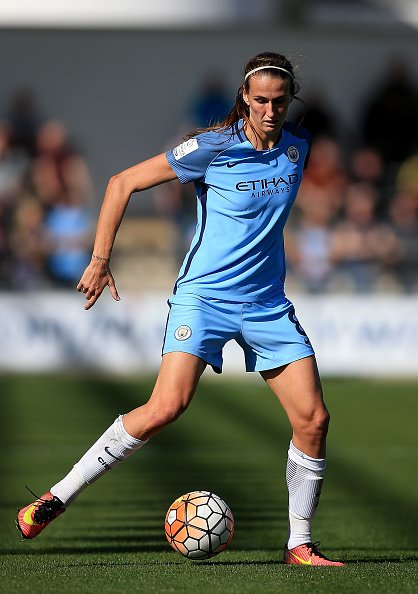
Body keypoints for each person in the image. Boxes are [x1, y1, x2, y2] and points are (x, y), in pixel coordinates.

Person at [17, 52, 344, 567]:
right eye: (260, 100)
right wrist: (101, 259)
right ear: (244, 97)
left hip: (266, 305)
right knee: (166, 407)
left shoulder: (298, 149)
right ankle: (57, 496)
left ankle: (299, 545)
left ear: (290, 102)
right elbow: (121, 183)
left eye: (280, 101)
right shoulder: (211, 147)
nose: (270, 110)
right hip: (204, 297)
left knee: (314, 419)